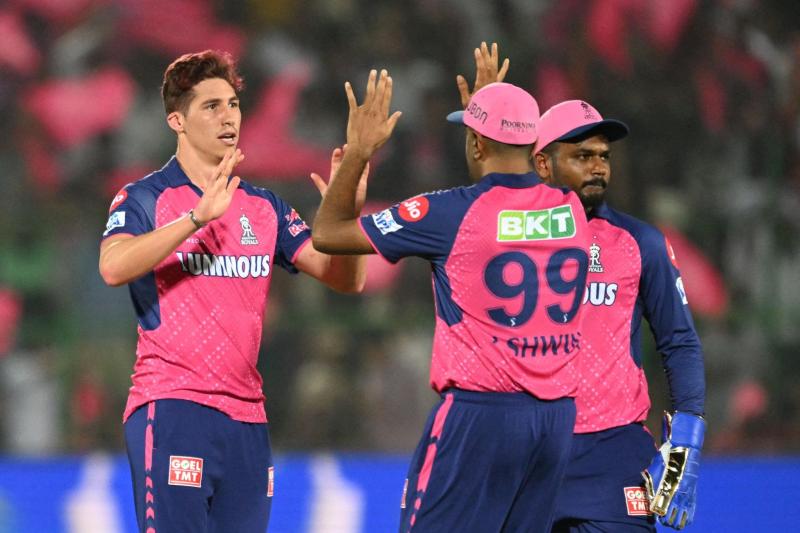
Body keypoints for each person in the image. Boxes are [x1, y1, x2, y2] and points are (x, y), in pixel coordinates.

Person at [312, 46, 591, 532]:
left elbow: (328, 234)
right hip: (555, 421)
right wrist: (494, 111)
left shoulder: (449, 213)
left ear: (477, 145)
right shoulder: (572, 209)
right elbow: (505, 207)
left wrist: (358, 153)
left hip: (479, 415)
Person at [98, 50, 367, 533]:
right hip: (173, 406)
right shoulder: (145, 197)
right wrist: (195, 218)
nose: (229, 117)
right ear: (177, 120)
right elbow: (113, 266)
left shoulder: (264, 207)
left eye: (234, 104)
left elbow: (347, 279)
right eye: (211, 106)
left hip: (247, 418)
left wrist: (346, 218)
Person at [532, 100, 706, 532]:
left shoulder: (640, 243)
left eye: (604, 157)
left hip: (613, 455)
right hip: (528, 449)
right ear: (543, 164)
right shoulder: (507, 238)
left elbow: (679, 341)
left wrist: (686, 442)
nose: (598, 168)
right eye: (582, 156)